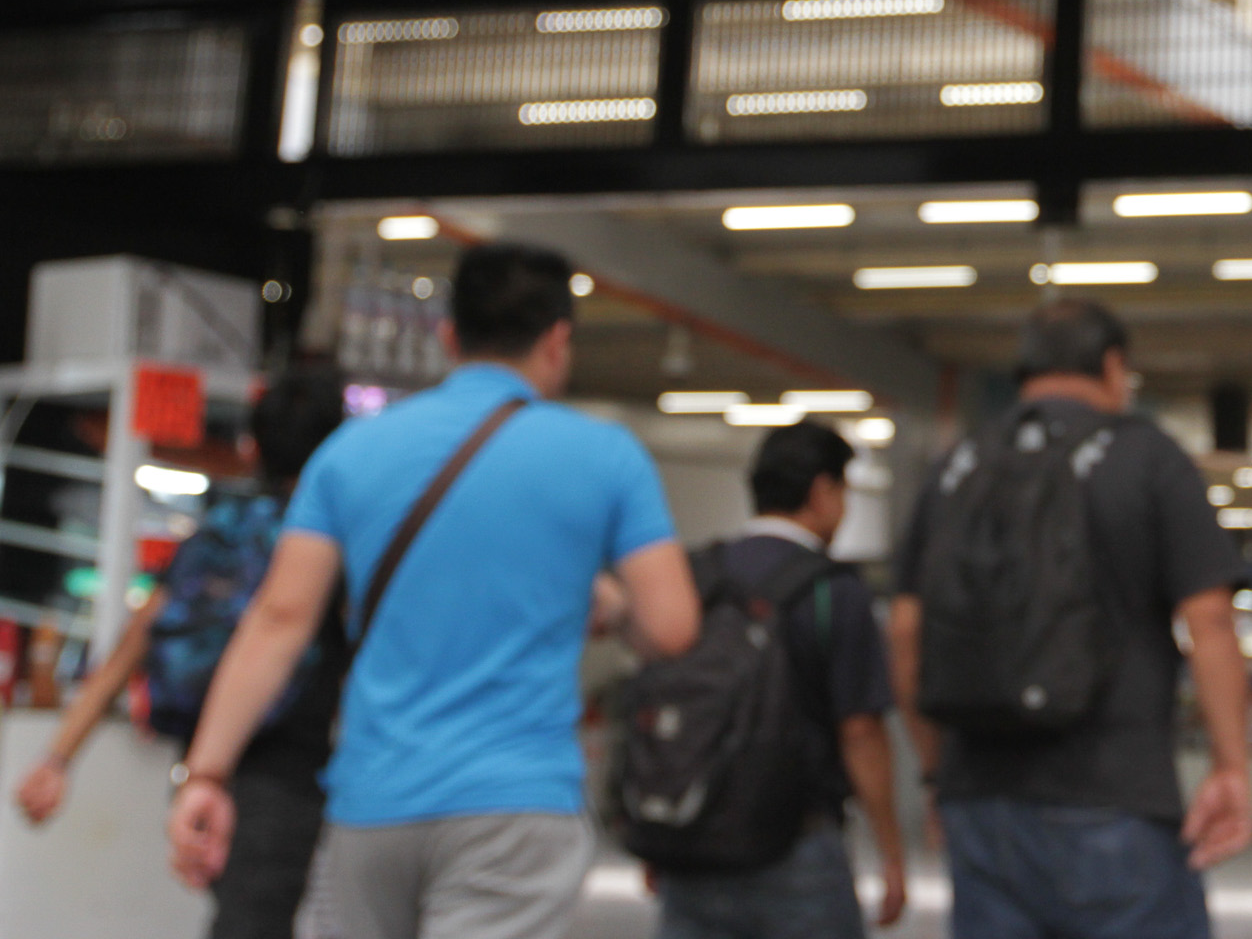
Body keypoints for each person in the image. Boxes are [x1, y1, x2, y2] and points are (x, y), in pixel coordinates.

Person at [166, 242, 701, 939]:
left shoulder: (349, 455)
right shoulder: (606, 456)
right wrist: (612, 607)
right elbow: (673, 628)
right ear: (558, 339)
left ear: (449, 337)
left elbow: (279, 620)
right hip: (514, 807)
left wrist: (207, 775)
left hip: (371, 804)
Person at [889, 299, 1252, 939]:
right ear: (1114, 367)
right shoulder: (1147, 457)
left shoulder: (957, 464)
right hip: (1115, 798)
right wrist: (1231, 767)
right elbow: (1210, 620)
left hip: (979, 796)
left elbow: (906, 633)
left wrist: (933, 772)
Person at [16, 364, 347, 939]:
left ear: (251, 446)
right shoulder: (329, 544)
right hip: (294, 777)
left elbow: (131, 646)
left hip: (204, 771)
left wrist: (57, 757)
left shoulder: (221, 529)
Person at [648, 421, 909, 939]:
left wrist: (656, 829)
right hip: (798, 846)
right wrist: (892, 853)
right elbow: (860, 732)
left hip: (694, 842)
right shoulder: (835, 592)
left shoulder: (695, 575)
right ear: (822, 491)